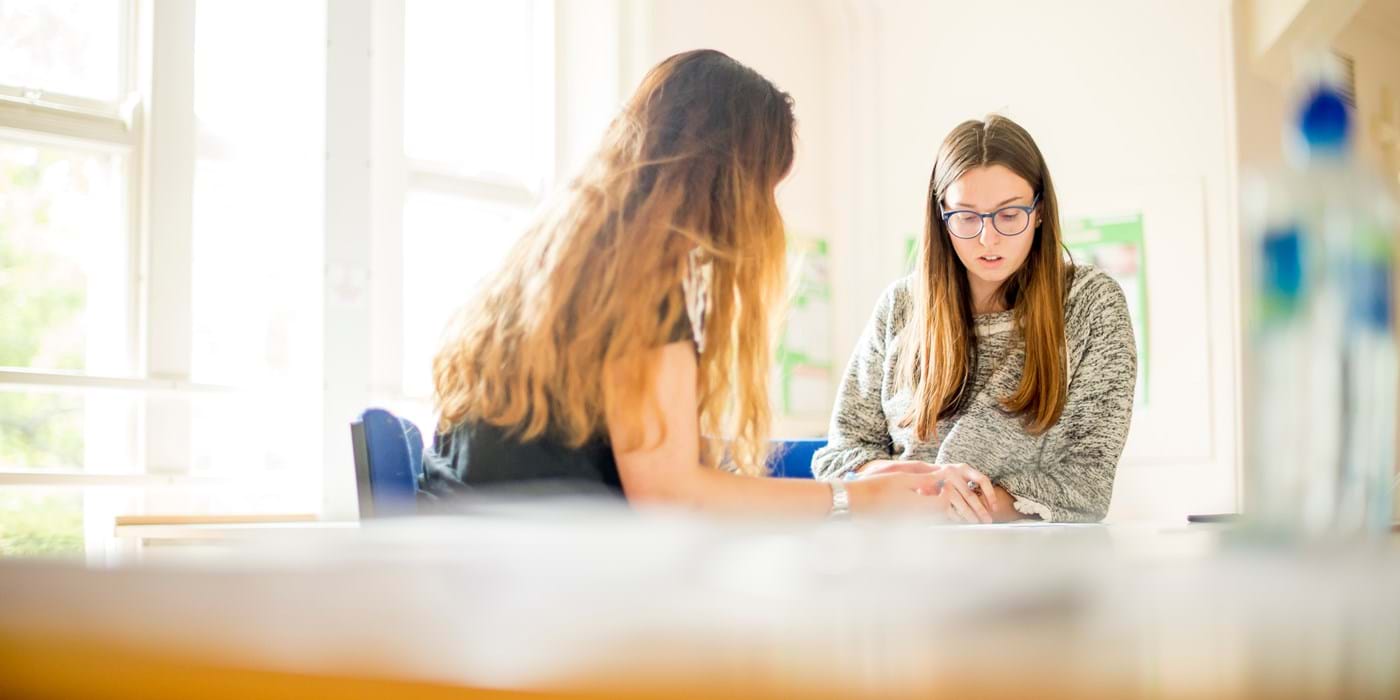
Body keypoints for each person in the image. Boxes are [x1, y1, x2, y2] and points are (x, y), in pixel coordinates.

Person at [421, 49, 950, 518]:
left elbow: (658, 453)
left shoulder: (569, 260)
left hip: (478, 556)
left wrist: (847, 482)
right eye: (766, 188)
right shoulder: (639, 284)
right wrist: (853, 500)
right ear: (730, 182)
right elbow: (670, 492)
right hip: (527, 577)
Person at [813, 115, 1137, 523]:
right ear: (941, 216)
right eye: (966, 216)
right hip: (899, 552)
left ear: (1039, 211)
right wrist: (917, 486)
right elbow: (840, 457)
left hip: (1024, 564)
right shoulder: (899, 306)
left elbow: (1086, 483)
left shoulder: (1090, 304)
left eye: (1009, 214)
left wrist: (958, 503)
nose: (988, 239)